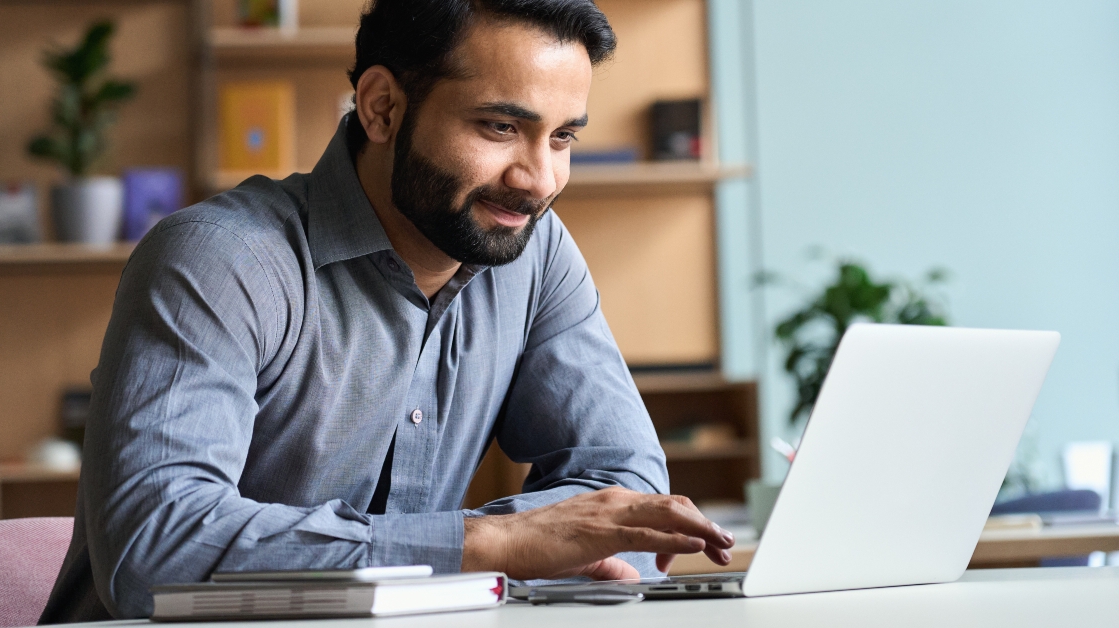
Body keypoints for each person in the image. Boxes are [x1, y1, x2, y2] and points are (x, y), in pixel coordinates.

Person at [39, 0, 734, 622]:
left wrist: (527, 548)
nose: (539, 180)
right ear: (381, 108)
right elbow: (155, 547)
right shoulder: (219, 260)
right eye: (499, 127)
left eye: (561, 138)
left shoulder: (535, 252)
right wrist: (492, 545)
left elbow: (628, 488)